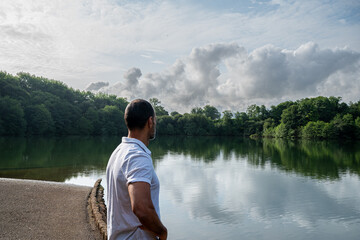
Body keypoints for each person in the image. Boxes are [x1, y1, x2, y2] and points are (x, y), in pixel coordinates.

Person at [106, 99, 167, 240]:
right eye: (155, 121)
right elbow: (141, 207)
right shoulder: (137, 156)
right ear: (150, 121)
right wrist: (162, 232)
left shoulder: (119, 151)